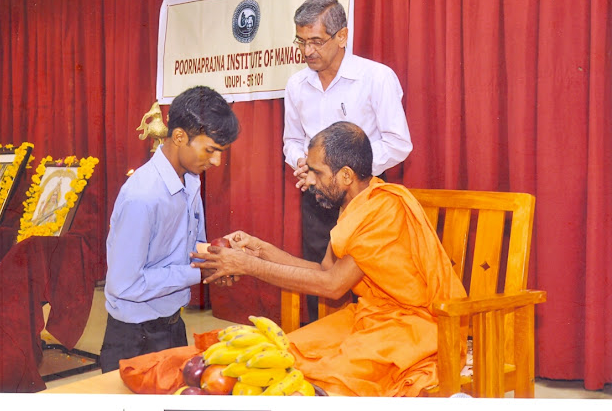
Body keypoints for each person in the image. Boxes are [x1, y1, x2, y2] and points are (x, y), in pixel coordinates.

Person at [193, 122, 466, 396]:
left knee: (330, 378)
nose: (310, 180)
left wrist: (248, 266)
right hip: (371, 317)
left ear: (346, 175)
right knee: (286, 353)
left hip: (412, 326)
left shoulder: (383, 209)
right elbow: (325, 270)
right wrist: (260, 249)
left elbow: (333, 285)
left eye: (317, 172)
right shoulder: (354, 204)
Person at [283, 0, 412, 321]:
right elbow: (292, 140)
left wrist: (348, 171)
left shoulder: (376, 77)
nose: (307, 51)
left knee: (371, 286)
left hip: (366, 198)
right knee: (320, 277)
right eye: (301, 41)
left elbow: (398, 143)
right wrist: (302, 163)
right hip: (318, 197)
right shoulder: (296, 84)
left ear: (342, 36)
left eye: (316, 41)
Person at [100, 86, 240, 373]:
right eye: (210, 150)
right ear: (178, 137)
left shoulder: (191, 181)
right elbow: (124, 284)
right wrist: (198, 273)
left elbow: (187, 248)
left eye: (221, 152)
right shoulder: (143, 197)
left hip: (173, 324)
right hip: (134, 337)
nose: (216, 161)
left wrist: (218, 259)